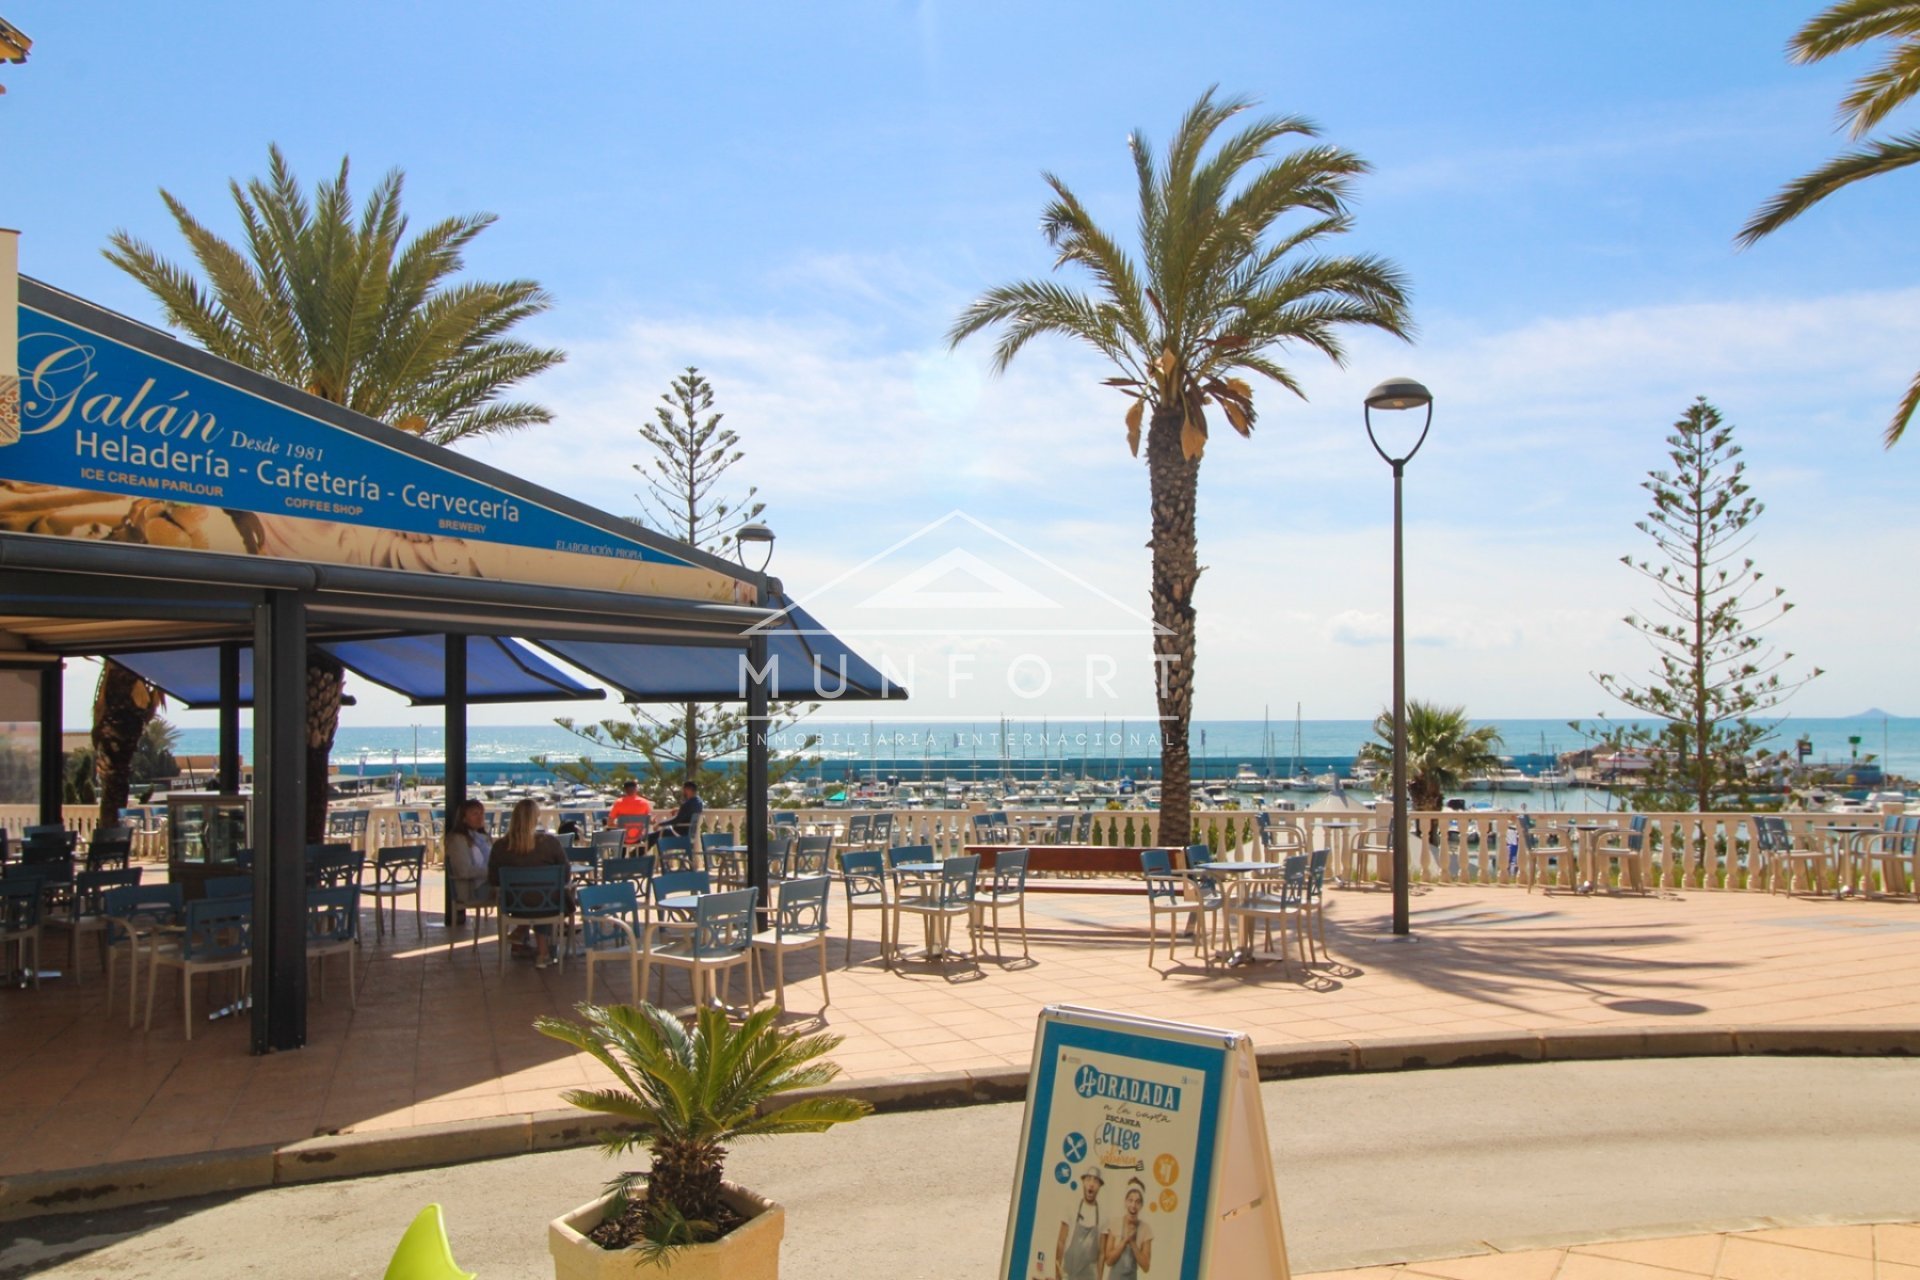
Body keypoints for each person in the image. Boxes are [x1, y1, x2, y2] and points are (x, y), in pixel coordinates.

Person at [488, 798, 570, 967]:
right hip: (547, 903)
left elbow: (493, 879)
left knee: (536, 895)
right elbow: (565, 875)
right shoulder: (549, 843)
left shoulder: (500, 846)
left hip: (514, 904)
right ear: (535, 818)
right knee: (548, 894)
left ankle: (522, 931)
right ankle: (543, 951)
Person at [443, 798, 492, 922]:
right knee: (515, 892)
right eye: (475, 814)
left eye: (482, 813)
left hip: (489, 884)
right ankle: (522, 926)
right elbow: (463, 871)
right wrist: (493, 872)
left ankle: (522, 927)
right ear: (464, 818)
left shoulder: (483, 838)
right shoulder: (458, 840)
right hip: (473, 889)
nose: (480, 817)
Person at [1055, 1166, 1106, 1280]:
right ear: (1083, 1182)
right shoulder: (1071, 1207)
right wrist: (1057, 1275)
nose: (1091, 1184)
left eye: (1096, 1181)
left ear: (1100, 1186)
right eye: (1088, 1179)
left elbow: (1102, 1254)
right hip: (1068, 1274)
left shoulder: (1103, 1216)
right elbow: (1061, 1242)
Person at [1102, 1177, 1153, 1279]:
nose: (1133, 1205)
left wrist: (1133, 1243)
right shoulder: (1114, 1223)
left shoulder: (1146, 1229)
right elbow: (1108, 1261)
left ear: (1141, 1205)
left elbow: (1146, 1267)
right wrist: (1125, 1240)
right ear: (1125, 1202)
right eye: (1130, 1200)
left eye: (1138, 1202)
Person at [646, 780, 704, 848]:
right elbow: (689, 810)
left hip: (678, 833)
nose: (683, 792)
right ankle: (637, 851)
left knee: (650, 837)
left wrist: (659, 824)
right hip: (689, 833)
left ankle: (637, 853)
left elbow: (676, 820)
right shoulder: (699, 802)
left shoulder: (687, 804)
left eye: (683, 790)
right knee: (654, 837)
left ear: (688, 790)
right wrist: (679, 809)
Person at [607, 778, 652, 844]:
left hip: (622, 838)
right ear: (636, 789)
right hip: (638, 838)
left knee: (607, 826)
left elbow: (609, 823)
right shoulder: (644, 803)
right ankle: (638, 851)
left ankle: (620, 850)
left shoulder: (618, 803)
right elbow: (649, 821)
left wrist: (620, 826)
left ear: (625, 790)